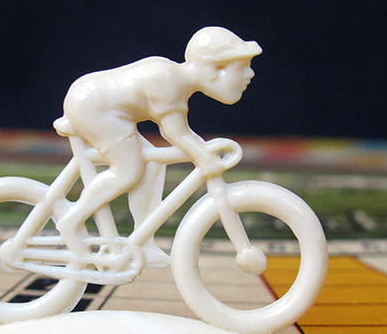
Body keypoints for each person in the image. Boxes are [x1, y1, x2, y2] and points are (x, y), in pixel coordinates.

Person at [54, 26, 262, 268]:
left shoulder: (175, 79)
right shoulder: (169, 81)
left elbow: (180, 133)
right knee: (128, 170)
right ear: (217, 69)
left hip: (105, 108)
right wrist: (204, 157)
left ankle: (143, 242)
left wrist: (203, 153)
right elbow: (174, 132)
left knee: (152, 165)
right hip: (92, 106)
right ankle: (71, 221)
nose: (250, 74)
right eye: (242, 67)